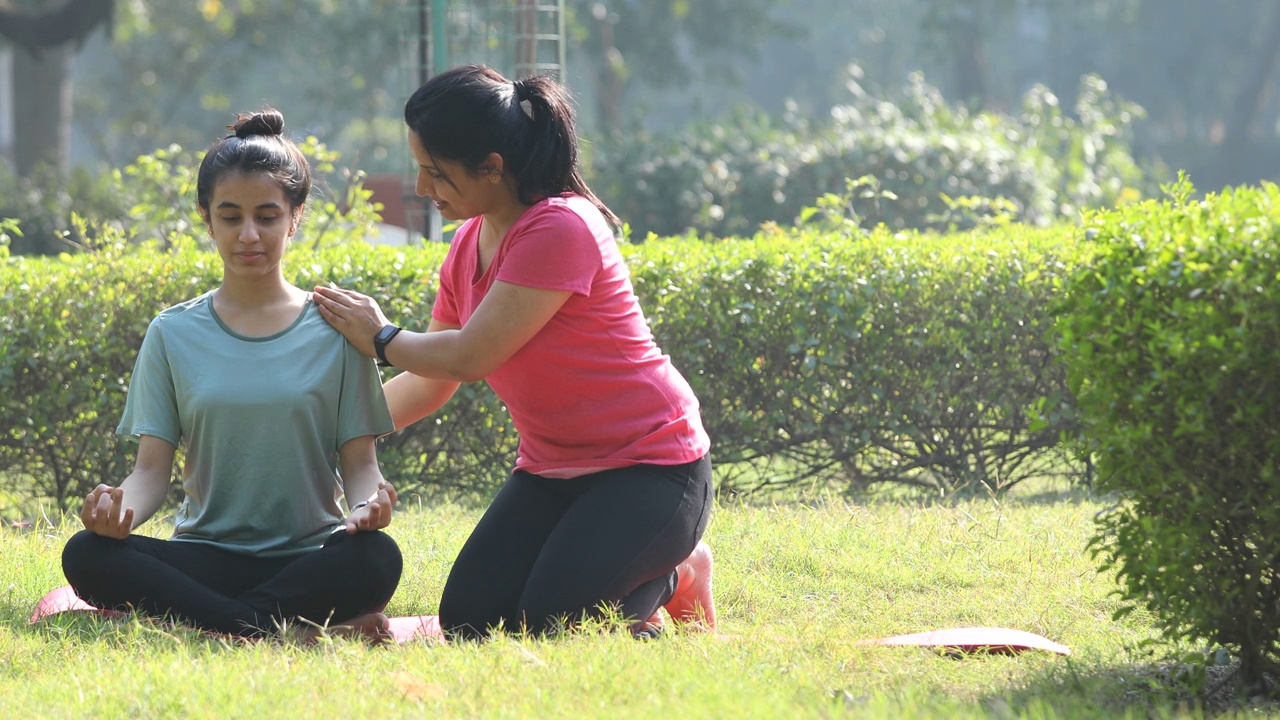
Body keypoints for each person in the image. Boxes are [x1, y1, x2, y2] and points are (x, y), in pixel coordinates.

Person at [313, 64, 717, 640]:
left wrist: (380, 337)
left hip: (652, 468)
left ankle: (677, 571)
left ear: (492, 168)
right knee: (471, 624)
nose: (423, 189)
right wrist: (336, 429)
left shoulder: (561, 227)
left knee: (551, 626)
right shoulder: (469, 243)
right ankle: (637, 595)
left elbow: (468, 357)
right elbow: (433, 382)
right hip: (552, 470)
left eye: (435, 173)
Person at [60, 108, 403, 641]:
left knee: (377, 558)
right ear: (206, 218)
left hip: (309, 559)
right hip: (204, 557)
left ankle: (218, 622)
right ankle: (285, 630)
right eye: (230, 216)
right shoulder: (172, 333)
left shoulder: (338, 330)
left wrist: (367, 506)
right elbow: (151, 471)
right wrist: (118, 511)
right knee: (87, 553)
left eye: (267, 216)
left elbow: (360, 464)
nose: (249, 235)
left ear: (295, 216)